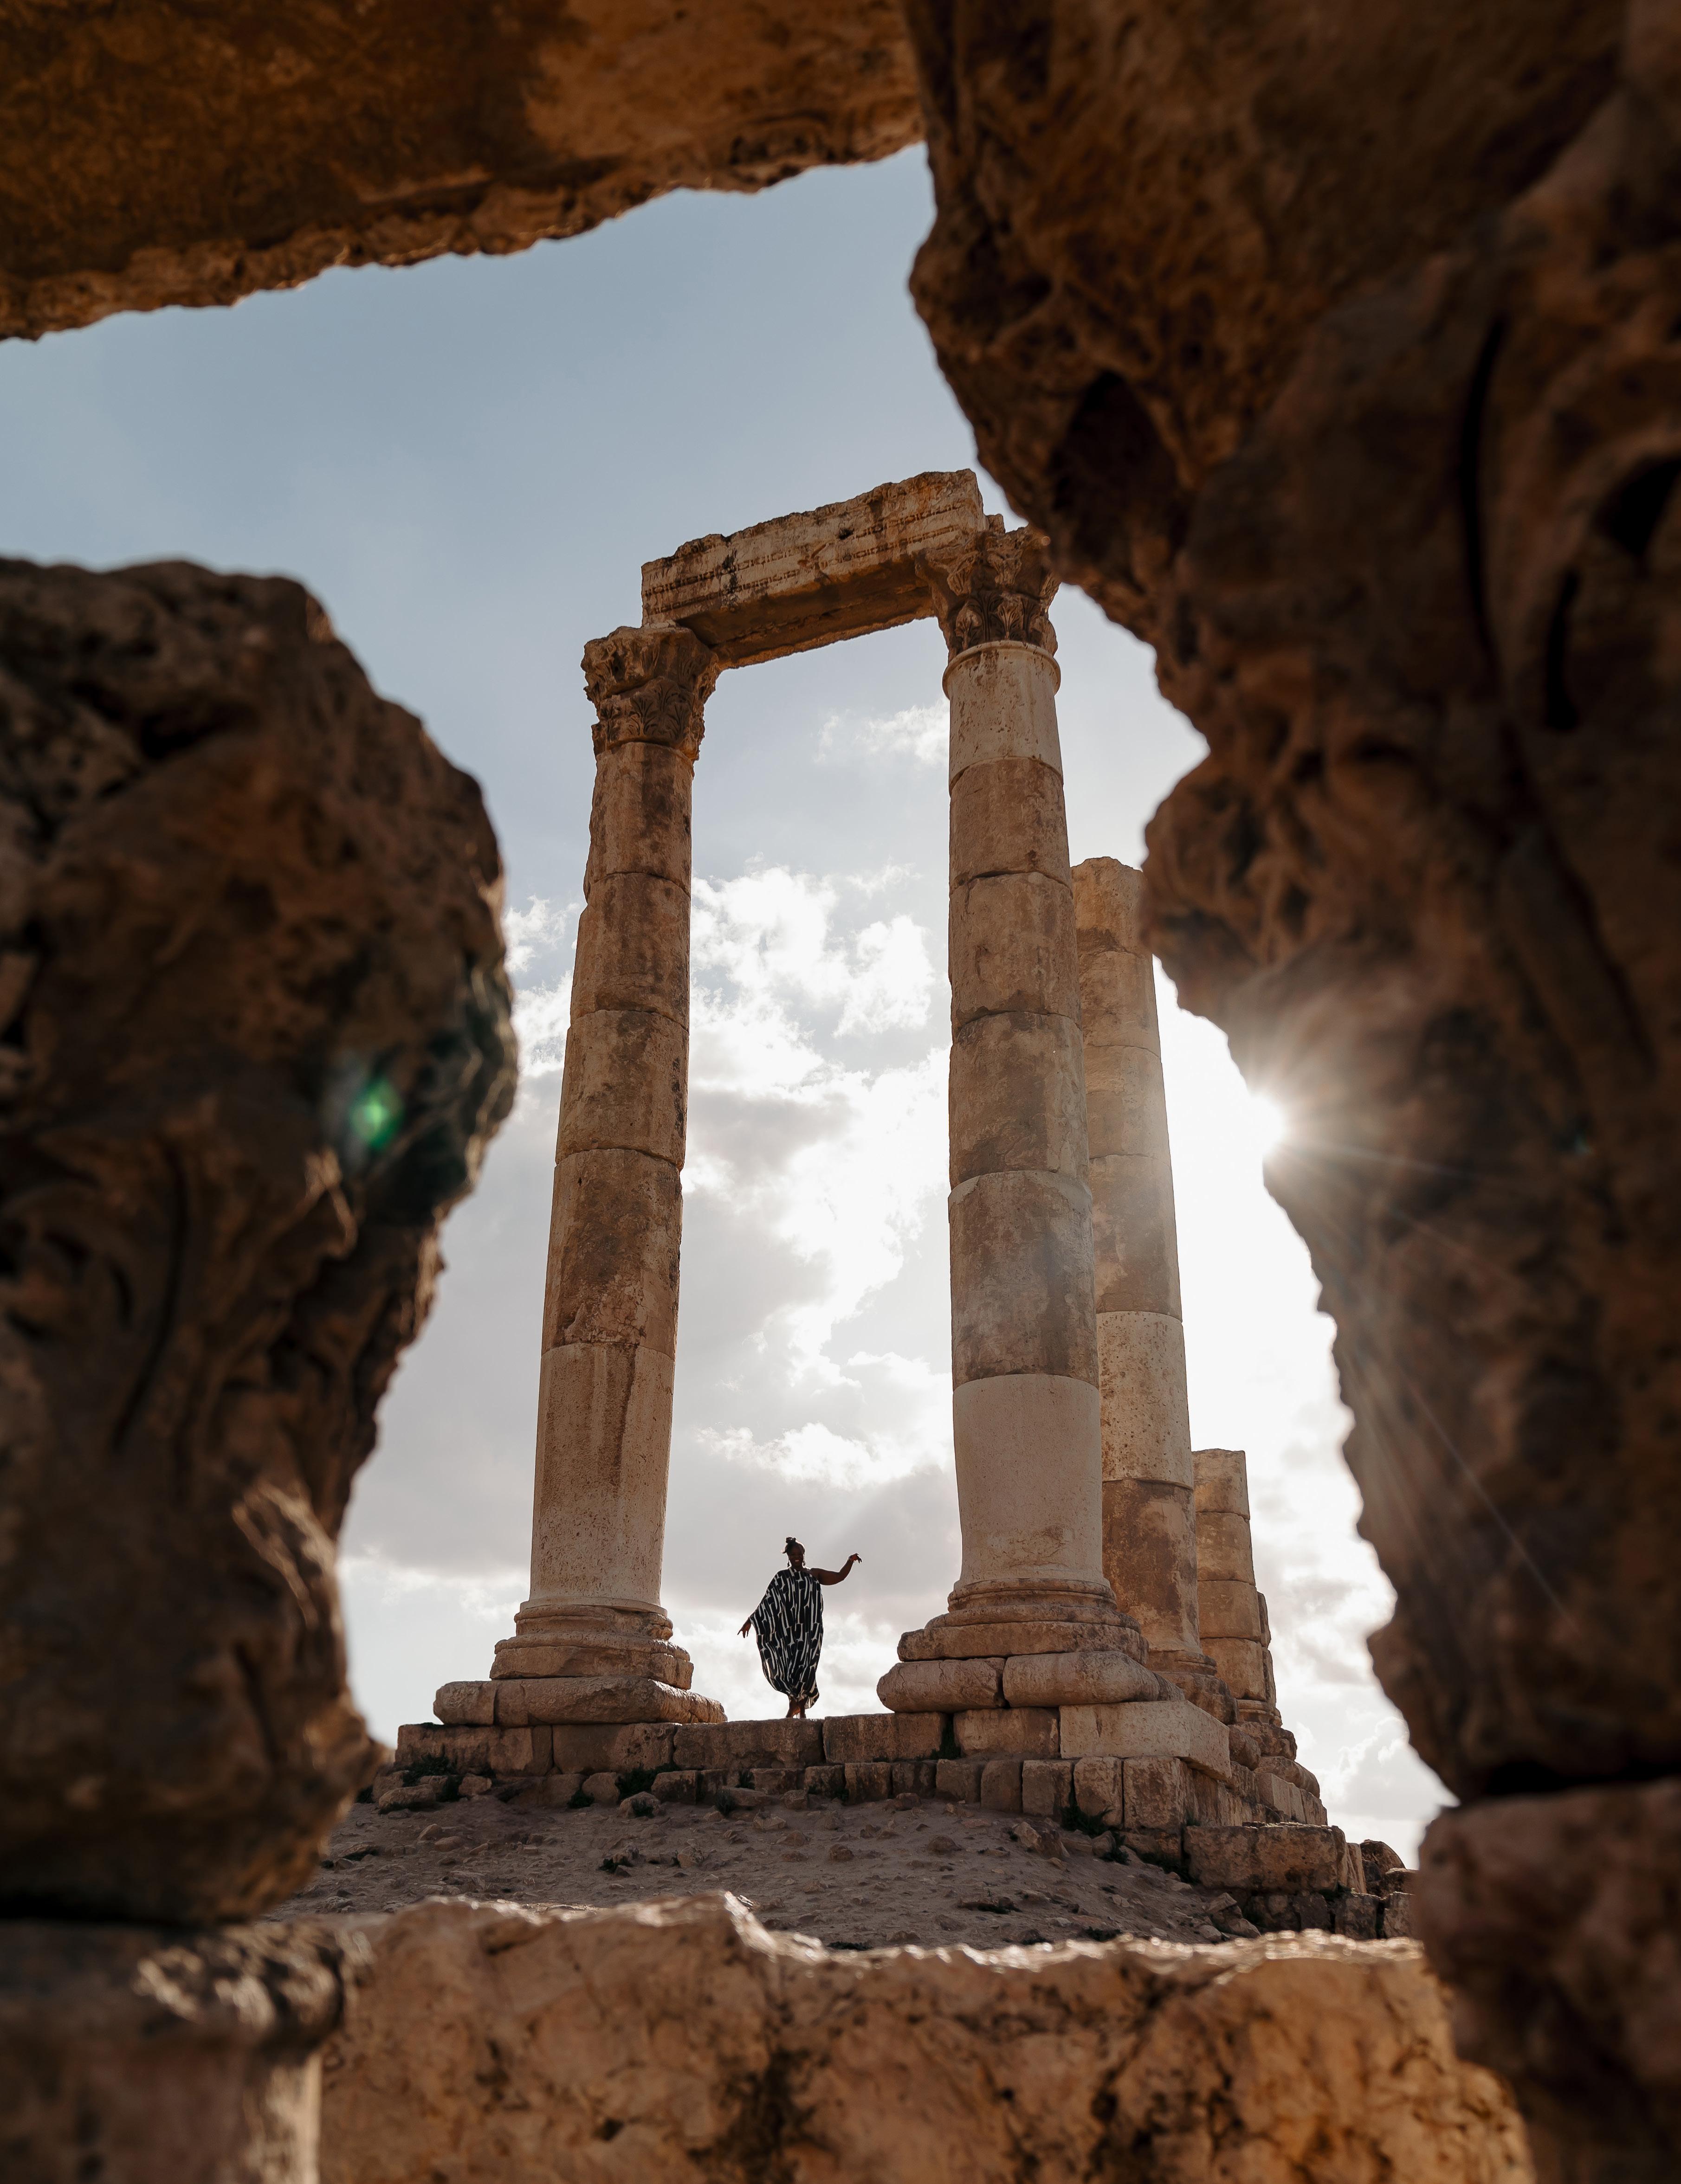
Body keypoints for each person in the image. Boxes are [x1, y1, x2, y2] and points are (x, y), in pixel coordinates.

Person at [738, 1537, 860, 1720]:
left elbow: (839, 1577)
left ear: (804, 1555)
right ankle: (795, 1706)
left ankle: (800, 1709)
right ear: (788, 1556)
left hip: (811, 1632)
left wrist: (850, 1561)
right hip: (789, 1633)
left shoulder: (814, 1574)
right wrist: (751, 1620)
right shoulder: (781, 1578)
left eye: (800, 1554)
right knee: (791, 1670)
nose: (797, 1557)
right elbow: (768, 1602)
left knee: (807, 1668)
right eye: (793, 1554)